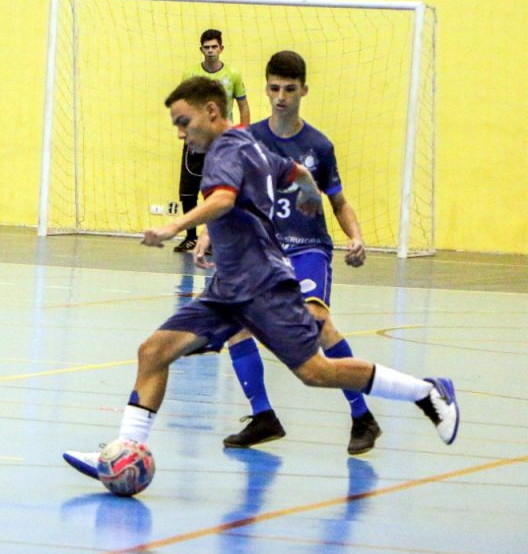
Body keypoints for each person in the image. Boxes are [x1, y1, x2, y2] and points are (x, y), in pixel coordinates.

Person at [63, 76, 458, 485]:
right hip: (229, 288)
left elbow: (222, 199)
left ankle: (426, 392)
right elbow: (299, 171)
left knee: (315, 371)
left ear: (211, 111)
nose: (181, 134)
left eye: (184, 122)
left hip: (263, 286)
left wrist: (175, 226)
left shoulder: (224, 150)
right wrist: (306, 191)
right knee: (153, 352)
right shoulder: (252, 145)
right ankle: (123, 450)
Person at [196, 51, 381, 455]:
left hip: (307, 249)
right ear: (266, 89)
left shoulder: (317, 146)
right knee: (237, 326)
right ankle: (263, 416)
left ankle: (361, 415)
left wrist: (356, 235)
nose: (281, 97)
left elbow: (338, 201)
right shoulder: (247, 140)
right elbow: (227, 196)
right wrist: (208, 236)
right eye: (275, 88)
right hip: (261, 252)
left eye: (290, 90)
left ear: (304, 91)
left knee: (317, 323)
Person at [174, 29, 250, 253]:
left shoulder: (233, 75)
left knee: (218, 190)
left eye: (214, 47)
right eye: (206, 48)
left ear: (221, 49)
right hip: (196, 140)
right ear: (201, 50)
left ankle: (214, 239)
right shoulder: (190, 74)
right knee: (188, 190)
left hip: (223, 142)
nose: (210, 51)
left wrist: (244, 134)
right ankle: (190, 236)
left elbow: (243, 105)